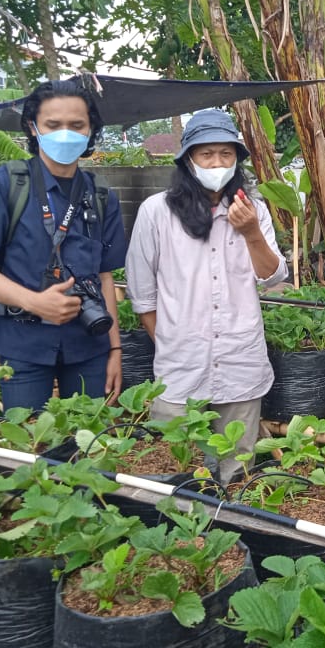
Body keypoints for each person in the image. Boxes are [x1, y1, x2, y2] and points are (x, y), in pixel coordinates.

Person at [125, 108, 288, 484]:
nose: (217, 162)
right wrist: (173, 343)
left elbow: (272, 276)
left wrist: (251, 233)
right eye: (206, 154)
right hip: (179, 375)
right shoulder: (156, 213)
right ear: (188, 160)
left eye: (226, 154)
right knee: (174, 474)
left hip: (240, 366)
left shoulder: (254, 211)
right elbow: (143, 297)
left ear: (237, 160)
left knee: (238, 472)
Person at [0, 77, 127, 411]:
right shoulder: (5, 185)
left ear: (91, 130)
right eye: (54, 124)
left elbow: (105, 278)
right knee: (29, 444)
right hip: (22, 345)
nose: (66, 132)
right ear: (34, 128)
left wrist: (115, 350)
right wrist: (35, 302)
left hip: (89, 345)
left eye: (77, 125)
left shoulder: (102, 197)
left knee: (91, 446)